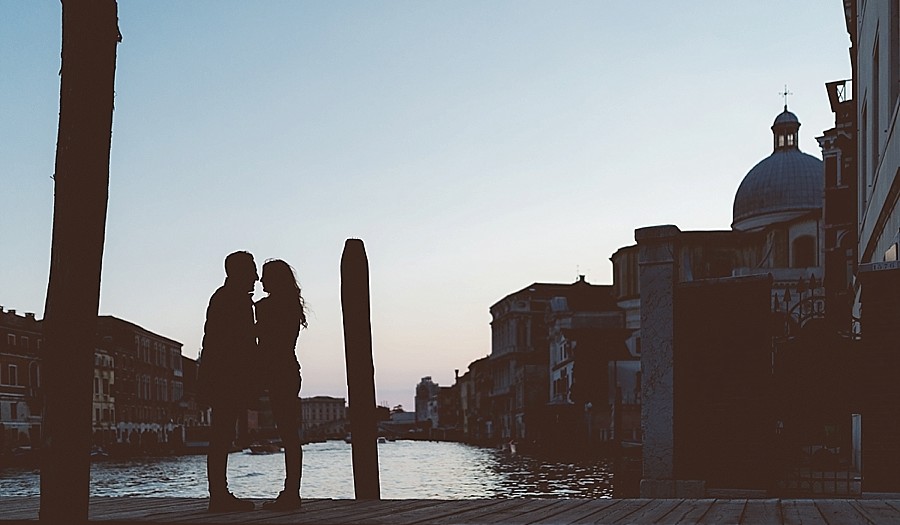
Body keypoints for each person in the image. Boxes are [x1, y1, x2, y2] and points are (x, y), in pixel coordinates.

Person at [198, 251, 259, 512]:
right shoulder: (233, 300)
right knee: (222, 435)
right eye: (252, 271)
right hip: (228, 378)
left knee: (222, 435)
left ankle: (219, 494)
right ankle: (219, 496)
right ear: (240, 273)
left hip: (223, 377)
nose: (256, 277)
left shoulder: (225, 298)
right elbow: (237, 345)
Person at [255, 259, 307, 510]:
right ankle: (291, 491)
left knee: (286, 433)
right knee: (290, 435)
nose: (261, 281)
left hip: (277, 374)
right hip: (290, 370)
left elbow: (260, 343)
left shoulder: (265, 307)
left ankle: (290, 494)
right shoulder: (291, 307)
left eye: (265, 277)